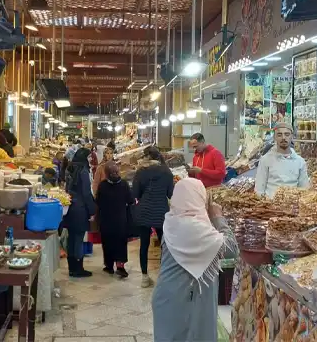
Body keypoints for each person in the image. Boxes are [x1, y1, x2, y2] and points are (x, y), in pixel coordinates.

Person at [152, 178, 238, 342]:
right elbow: (231, 250)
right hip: (184, 301)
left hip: (172, 297)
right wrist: (218, 218)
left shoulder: (172, 219)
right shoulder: (192, 227)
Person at [132, 147, 174, 288]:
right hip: (161, 212)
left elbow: (135, 194)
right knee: (164, 245)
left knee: (144, 245)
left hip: (144, 211)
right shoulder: (167, 171)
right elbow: (170, 193)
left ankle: (144, 277)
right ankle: (164, 276)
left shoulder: (141, 171)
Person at [95, 161, 133, 278]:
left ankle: (109, 266)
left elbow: (98, 201)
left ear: (106, 173)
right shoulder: (124, 184)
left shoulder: (102, 186)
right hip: (121, 219)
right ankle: (120, 266)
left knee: (108, 242)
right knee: (121, 242)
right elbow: (130, 200)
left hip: (106, 220)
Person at [64, 148, 96, 278]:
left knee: (71, 238)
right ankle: (78, 268)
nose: (90, 159)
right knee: (78, 238)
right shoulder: (83, 171)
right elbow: (87, 193)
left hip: (70, 206)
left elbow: (67, 188)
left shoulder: (70, 168)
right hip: (80, 208)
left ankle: (71, 267)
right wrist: (92, 210)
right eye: (88, 157)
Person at [255, 123, 310, 198]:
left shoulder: (300, 162)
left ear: (292, 136)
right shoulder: (265, 160)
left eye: (287, 134)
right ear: (274, 137)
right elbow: (259, 190)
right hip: (270, 206)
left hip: (293, 206)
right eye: (279, 135)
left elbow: (304, 189)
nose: (283, 138)